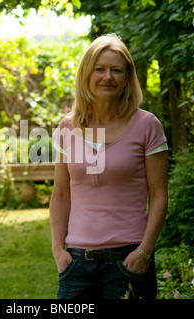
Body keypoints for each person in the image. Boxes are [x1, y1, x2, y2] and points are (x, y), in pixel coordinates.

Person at [49, 33, 168, 299]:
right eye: (99, 69)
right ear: (86, 75)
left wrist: (144, 252)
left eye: (116, 70)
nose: (108, 77)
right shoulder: (67, 128)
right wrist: (58, 250)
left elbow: (159, 195)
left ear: (127, 76)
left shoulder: (147, 126)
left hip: (128, 261)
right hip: (77, 263)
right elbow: (60, 195)